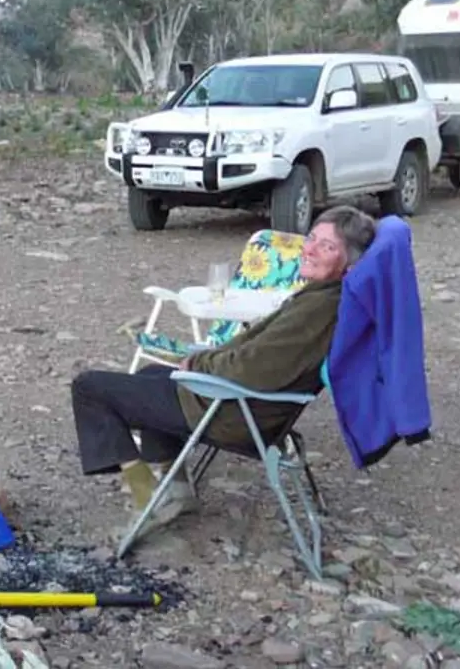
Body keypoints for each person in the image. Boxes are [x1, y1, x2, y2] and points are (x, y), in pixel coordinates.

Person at [70, 205, 377, 536]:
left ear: (349, 265)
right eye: (312, 238)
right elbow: (254, 350)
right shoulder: (323, 296)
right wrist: (205, 355)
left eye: (328, 247)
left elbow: (252, 367)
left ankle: (149, 499)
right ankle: (176, 488)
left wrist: (199, 363)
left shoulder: (319, 309)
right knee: (150, 375)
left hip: (235, 413)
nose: (311, 249)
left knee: (89, 389)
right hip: (255, 407)